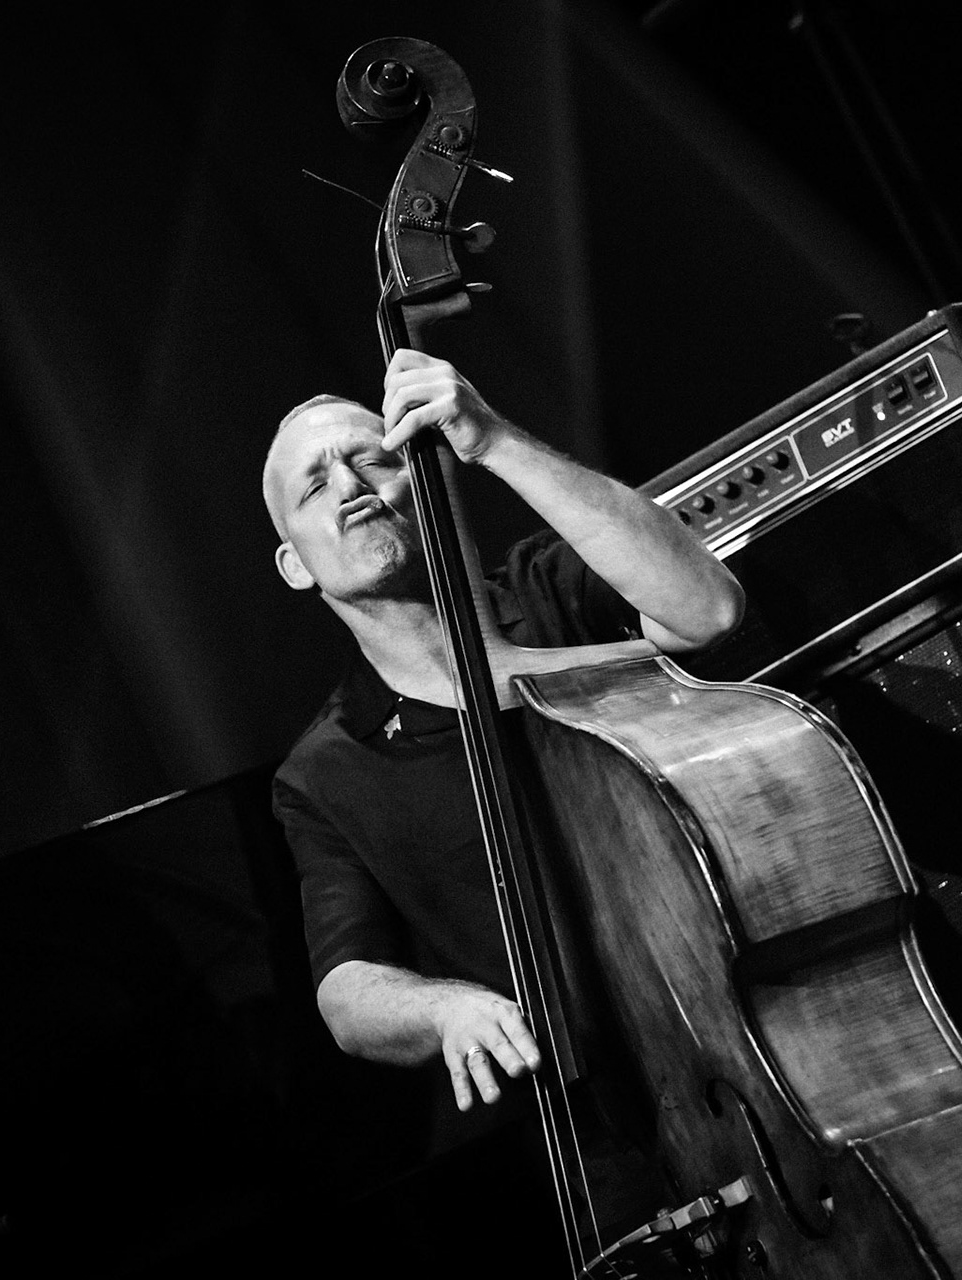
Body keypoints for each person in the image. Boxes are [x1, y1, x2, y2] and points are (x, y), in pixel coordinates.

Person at [264, 348, 743, 1150]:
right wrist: (443, 1007)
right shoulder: (326, 768)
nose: (350, 488)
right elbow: (347, 989)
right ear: (294, 565)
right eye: (315, 486)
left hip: (746, 1024)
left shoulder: (552, 589)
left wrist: (492, 441)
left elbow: (707, 613)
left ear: (424, 477)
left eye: (374, 460)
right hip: (599, 1128)